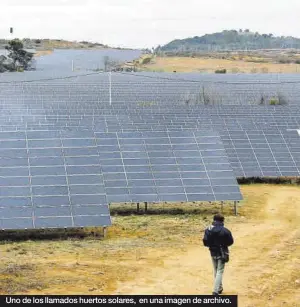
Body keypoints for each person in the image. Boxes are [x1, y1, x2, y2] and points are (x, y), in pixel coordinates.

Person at [203, 213, 234, 295]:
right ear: (222, 221)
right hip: (222, 252)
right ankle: (215, 290)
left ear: (214, 220)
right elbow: (231, 242)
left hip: (212, 252)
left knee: (216, 270)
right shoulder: (225, 231)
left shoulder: (208, 229)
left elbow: (205, 242)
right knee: (220, 271)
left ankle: (219, 288)